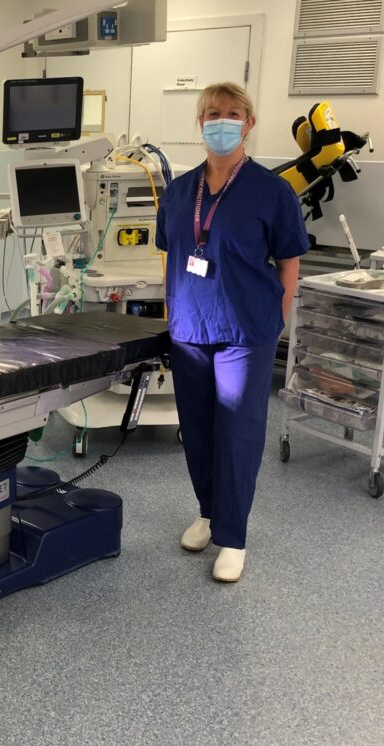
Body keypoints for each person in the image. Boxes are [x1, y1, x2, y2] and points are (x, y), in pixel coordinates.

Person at [156, 82, 308, 583]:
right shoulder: (179, 192)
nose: (221, 121)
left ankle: (233, 536)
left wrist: (277, 319)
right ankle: (208, 512)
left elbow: (289, 262)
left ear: (249, 122)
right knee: (198, 430)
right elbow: (173, 256)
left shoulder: (272, 191)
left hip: (246, 330)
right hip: (190, 329)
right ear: (200, 123)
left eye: (232, 113)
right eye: (212, 113)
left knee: (238, 432)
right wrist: (172, 313)